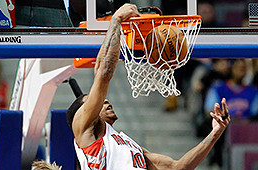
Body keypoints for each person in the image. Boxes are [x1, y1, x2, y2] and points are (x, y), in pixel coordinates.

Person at [65, 3, 230, 170]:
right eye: (93, 102)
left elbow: (178, 167)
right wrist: (115, 20)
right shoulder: (83, 130)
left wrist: (215, 134)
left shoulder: (130, 146)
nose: (105, 101)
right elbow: (103, 73)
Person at [204, 59, 258, 168]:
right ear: (231, 69)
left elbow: (255, 112)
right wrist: (225, 117)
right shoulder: (218, 88)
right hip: (225, 131)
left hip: (247, 132)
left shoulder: (253, 91)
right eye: (238, 68)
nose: (241, 72)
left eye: (243, 69)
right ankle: (217, 162)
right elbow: (208, 110)